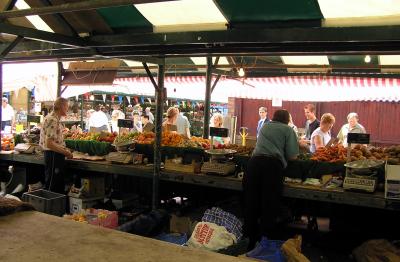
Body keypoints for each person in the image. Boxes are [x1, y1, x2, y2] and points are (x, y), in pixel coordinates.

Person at [243, 109, 299, 250]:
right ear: (287, 120)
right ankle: (264, 243)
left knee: (251, 202)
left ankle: (248, 241)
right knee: (269, 205)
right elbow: (293, 156)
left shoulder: (265, 126)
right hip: (272, 167)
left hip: (253, 164)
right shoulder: (288, 130)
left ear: (273, 118)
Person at [39, 97, 73, 193]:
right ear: (61, 106)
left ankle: (55, 207)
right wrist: (66, 152)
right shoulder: (52, 120)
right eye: (67, 106)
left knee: (56, 185)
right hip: (53, 155)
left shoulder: (54, 119)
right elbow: (49, 144)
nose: (67, 109)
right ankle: (49, 207)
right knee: (52, 186)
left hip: (55, 155)